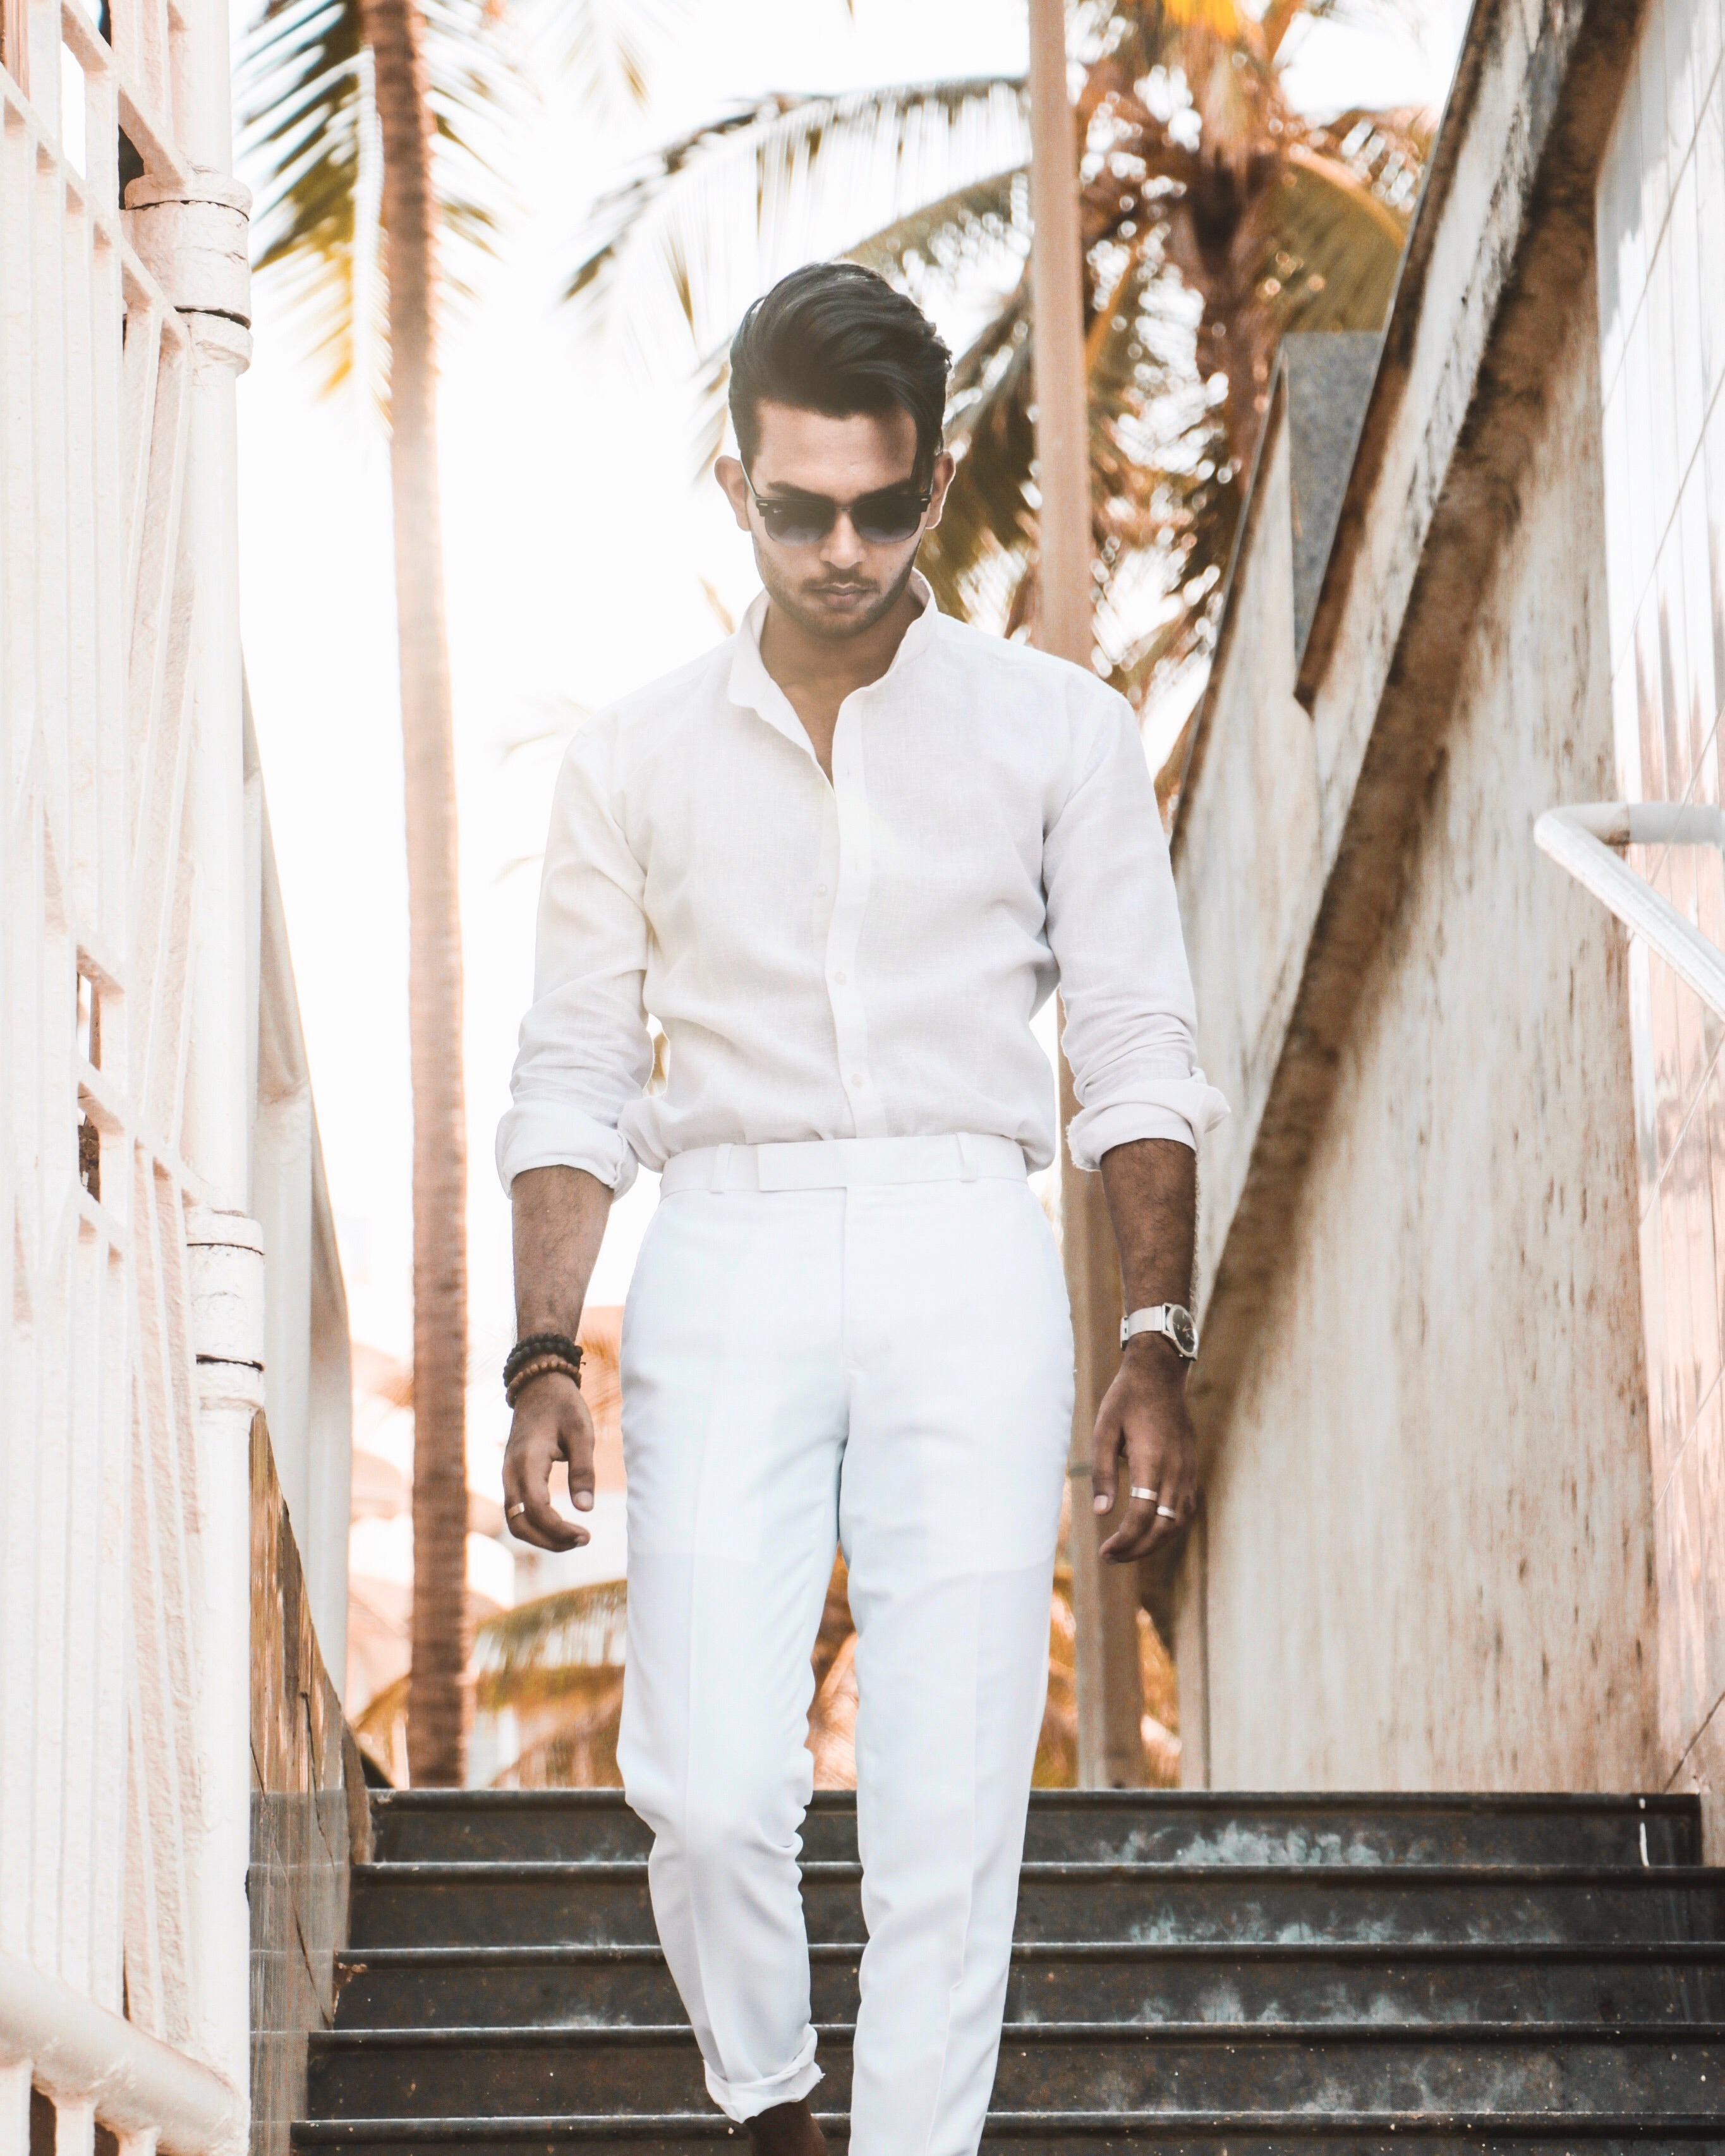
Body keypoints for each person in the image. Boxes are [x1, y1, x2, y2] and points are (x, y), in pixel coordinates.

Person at [497, 262, 1226, 2156]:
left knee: (949, 1795)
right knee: (706, 1786)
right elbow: (574, 1068)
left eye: (883, 509)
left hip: (964, 1241)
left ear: (937, 478)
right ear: (734, 483)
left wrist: (1154, 1337)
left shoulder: (1055, 731)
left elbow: (1136, 1048)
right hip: (725, 1240)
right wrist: (542, 1347)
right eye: (799, 507)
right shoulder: (631, 758)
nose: (842, 551)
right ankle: (768, 2097)